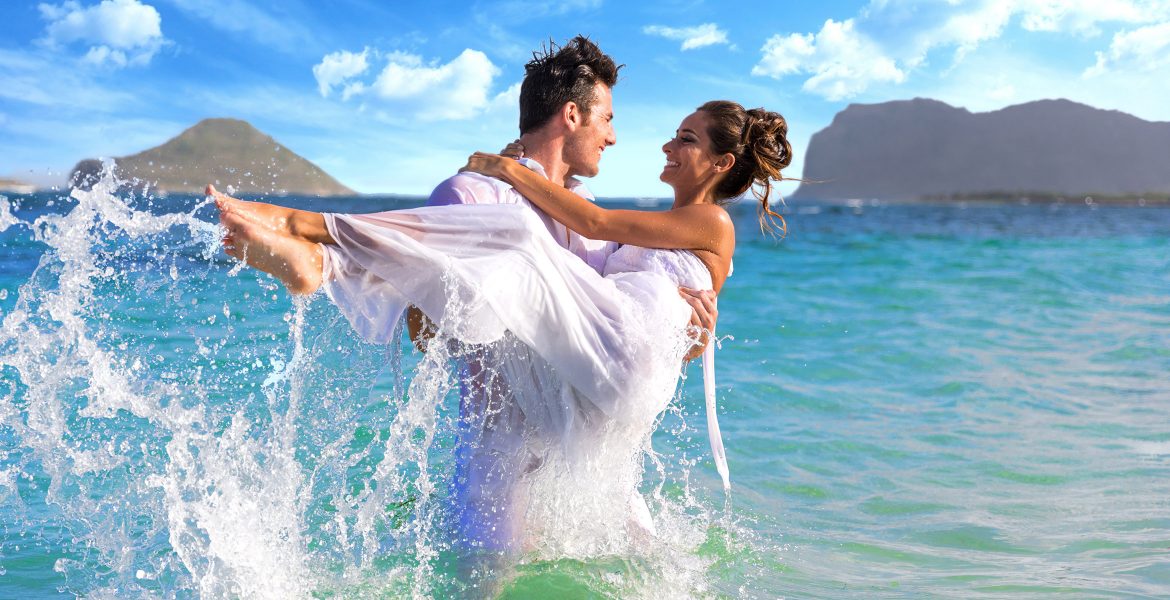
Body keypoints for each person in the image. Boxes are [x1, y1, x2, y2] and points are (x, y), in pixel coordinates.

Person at [210, 99, 792, 558]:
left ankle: (314, 239)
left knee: (513, 240)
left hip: (629, 353)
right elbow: (640, 306)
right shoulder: (653, 227)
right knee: (509, 261)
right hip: (610, 374)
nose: (665, 143)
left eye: (686, 138)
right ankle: (325, 258)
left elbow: (592, 220)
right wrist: (695, 337)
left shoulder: (711, 220)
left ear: (720, 164)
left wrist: (505, 167)